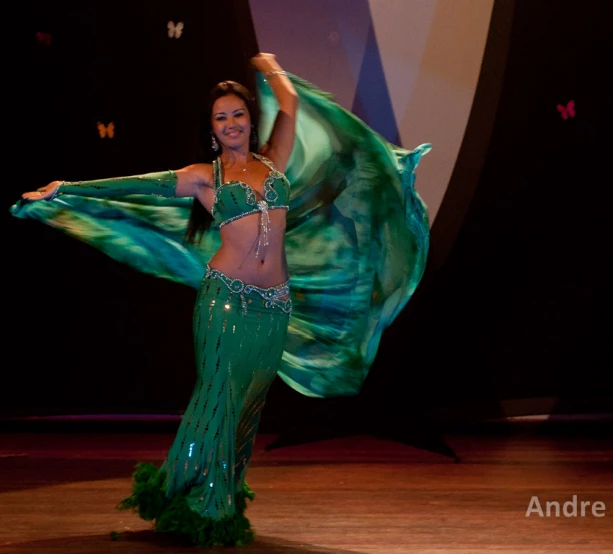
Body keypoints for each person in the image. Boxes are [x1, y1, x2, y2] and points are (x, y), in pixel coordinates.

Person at [12, 52, 431, 547]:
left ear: (251, 121)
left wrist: (268, 64)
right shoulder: (202, 176)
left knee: (247, 407)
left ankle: (218, 495)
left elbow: (291, 103)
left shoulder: (273, 161)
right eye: (221, 117)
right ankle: (197, 501)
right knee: (217, 402)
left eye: (238, 114)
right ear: (211, 129)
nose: (231, 123)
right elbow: (136, 188)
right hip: (224, 303)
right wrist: (68, 190)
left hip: (274, 306)